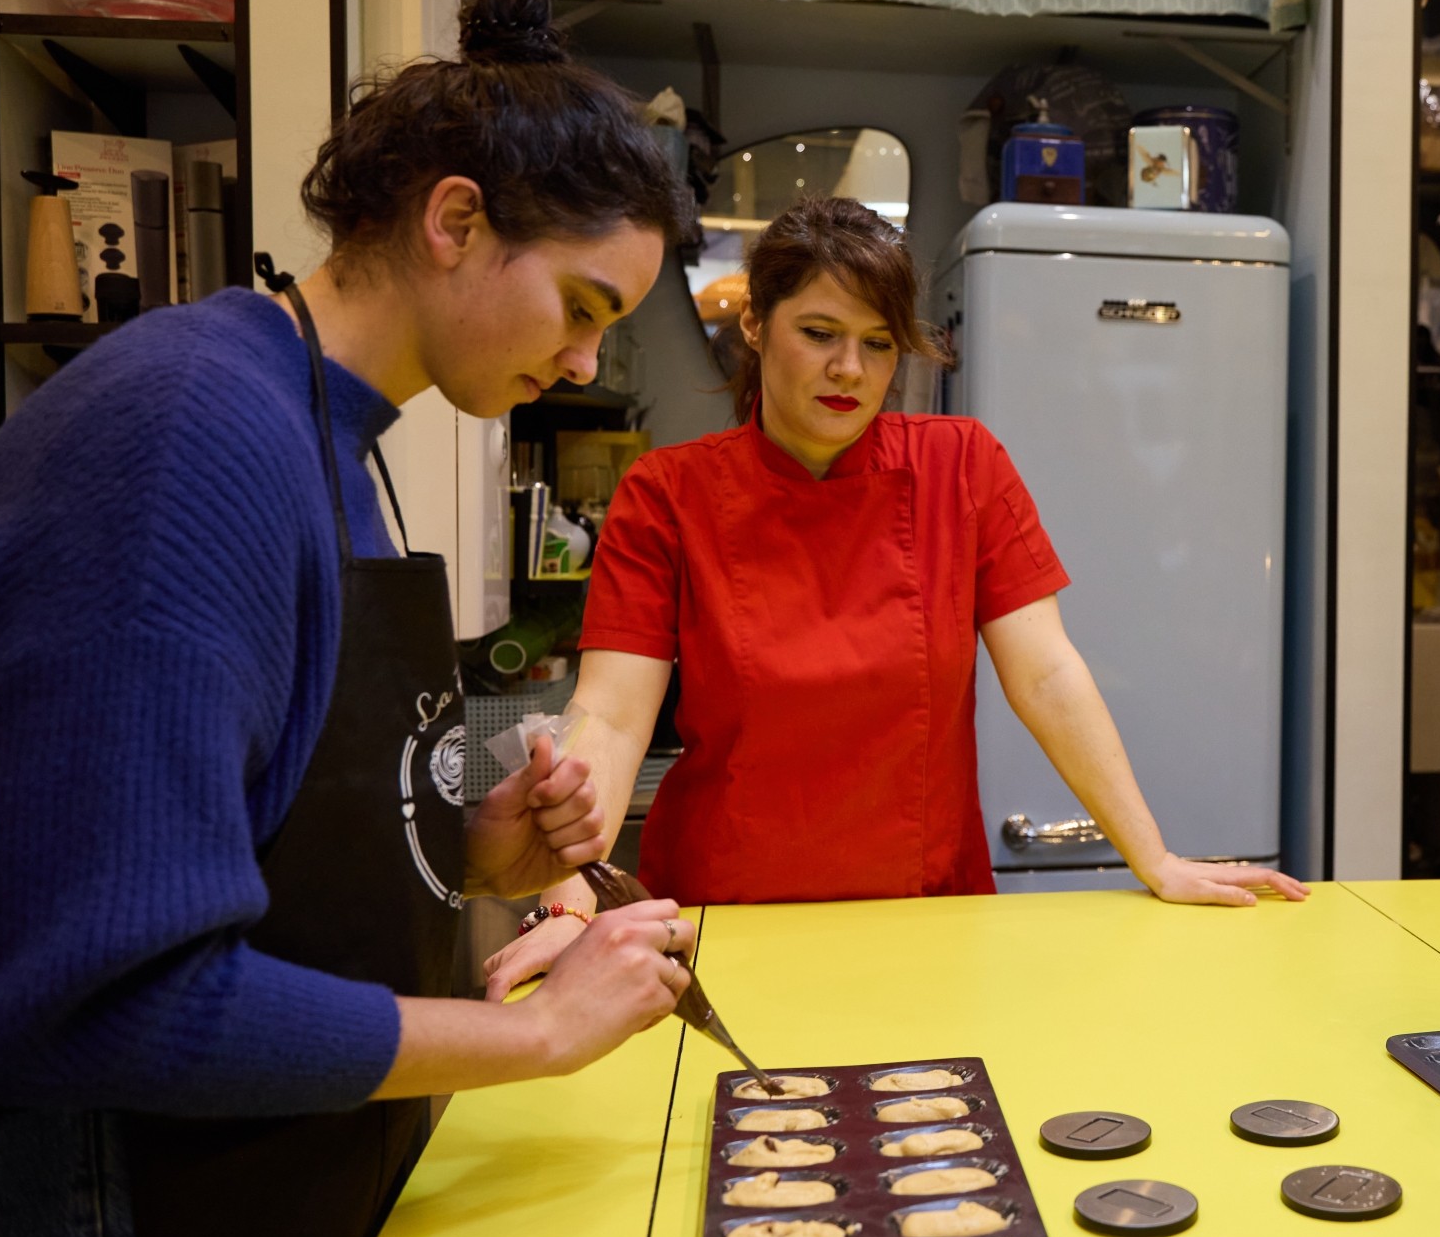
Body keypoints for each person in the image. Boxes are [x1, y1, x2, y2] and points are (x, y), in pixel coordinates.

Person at [0, 0, 702, 1237]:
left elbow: (248, 834)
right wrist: (541, 1035)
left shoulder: (327, 433)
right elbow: (111, 995)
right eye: (582, 306)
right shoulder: (183, 439)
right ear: (454, 219)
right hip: (108, 1235)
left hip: (267, 1194)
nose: (586, 361)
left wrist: (460, 856)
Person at [481, 196, 1302, 992]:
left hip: (925, 920)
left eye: (879, 344)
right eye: (820, 333)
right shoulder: (668, 493)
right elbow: (614, 716)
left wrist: (1152, 857)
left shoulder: (964, 467)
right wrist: (572, 896)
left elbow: (1047, 674)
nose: (850, 369)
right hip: (717, 921)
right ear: (757, 327)